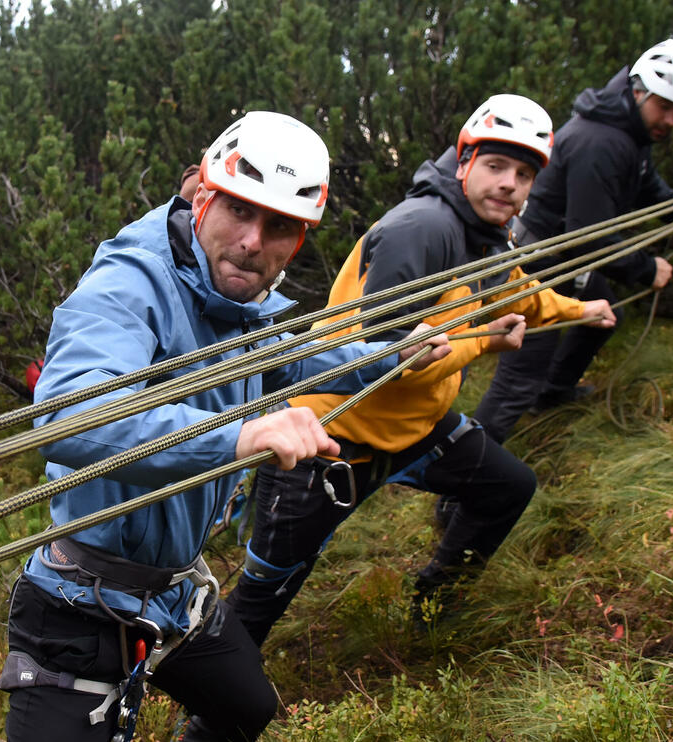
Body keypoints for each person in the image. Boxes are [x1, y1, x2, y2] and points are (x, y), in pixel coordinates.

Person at [0, 110, 449, 742]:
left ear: (299, 238)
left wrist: (391, 357)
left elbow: (282, 356)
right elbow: (71, 414)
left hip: (177, 595)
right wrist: (242, 436)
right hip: (82, 602)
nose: (252, 241)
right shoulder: (130, 284)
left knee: (247, 708)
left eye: (281, 227)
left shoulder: (237, 298)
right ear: (203, 196)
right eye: (239, 210)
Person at [223, 95, 617, 650]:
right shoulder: (422, 229)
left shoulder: (489, 238)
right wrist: (483, 344)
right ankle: (207, 713)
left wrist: (582, 311)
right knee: (265, 594)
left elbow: (523, 295)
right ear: (463, 163)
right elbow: (388, 362)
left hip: (411, 431)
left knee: (509, 487)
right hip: (329, 436)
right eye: (496, 166)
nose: (510, 184)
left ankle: (435, 602)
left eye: (524, 174)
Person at [474, 39, 673, 442]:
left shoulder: (631, 132)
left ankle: (553, 392)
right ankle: (459, 480)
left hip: (561, 253)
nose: (671, 121)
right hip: (540, 261)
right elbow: (589, 237)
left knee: (604, 313)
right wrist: (647, 268)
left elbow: (645, 182)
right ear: (639, 91)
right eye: (665, 108)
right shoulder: (602, 142)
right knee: (519, 377)